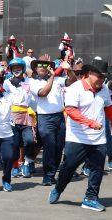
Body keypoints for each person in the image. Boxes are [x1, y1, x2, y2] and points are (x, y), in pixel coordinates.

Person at [49, 60, 111, 212]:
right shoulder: (75, 88)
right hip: (77, 138)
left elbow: (109, 108)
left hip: (98, 139)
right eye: (100, 77)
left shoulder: (103, 89)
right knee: (68, 168)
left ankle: (90, 198)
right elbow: (71, 111)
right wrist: (90, 123)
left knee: (97, 169)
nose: (102, 80)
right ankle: (58, 188)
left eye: (104, 77)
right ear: (89, 74)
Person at [29, 54, 76, 186]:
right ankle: (48, 176)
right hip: (45, 118)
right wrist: (52, 77)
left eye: (45, 65)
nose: (43, 67)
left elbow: (73, 81)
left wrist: (69, 69)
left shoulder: (58, 80)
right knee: (49, 146)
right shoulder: (33, 82)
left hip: (59, 117)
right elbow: (43, 93)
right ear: (36, 69)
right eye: (40, 65)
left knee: (58, 148)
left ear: (50, 67)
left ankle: (52, 174)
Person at [0, 69, 28, 192]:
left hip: (6, 132)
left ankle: (6, 180)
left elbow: (21, 98)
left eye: (0, 82)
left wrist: (16, 85)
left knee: (9, 156)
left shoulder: (7, 95)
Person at [3, 58, 35, 178]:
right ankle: (15, 166)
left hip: (27, 113)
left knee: (30, 140)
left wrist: (20, 84)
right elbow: (1, 94)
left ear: (23, 69)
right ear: (11, 70)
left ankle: (26, 163)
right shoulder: (7, 82)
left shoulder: (29, 81)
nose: (16, 70)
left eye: (19, 67)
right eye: (14, 68)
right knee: (14, 142)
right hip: (12, 114)